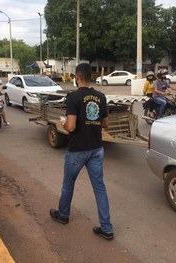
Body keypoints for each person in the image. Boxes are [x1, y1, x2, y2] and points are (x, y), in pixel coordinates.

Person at [50, 63, 114, 240]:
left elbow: (71, 126)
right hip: (96, 148)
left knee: (68, 184)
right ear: (90, 77)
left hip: (78, 150)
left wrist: (63, 124)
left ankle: (63, 215)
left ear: (77, 77)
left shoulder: (73, 97)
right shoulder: (101, 97)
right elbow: (106, 124)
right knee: (100, 188)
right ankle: (107, 228)